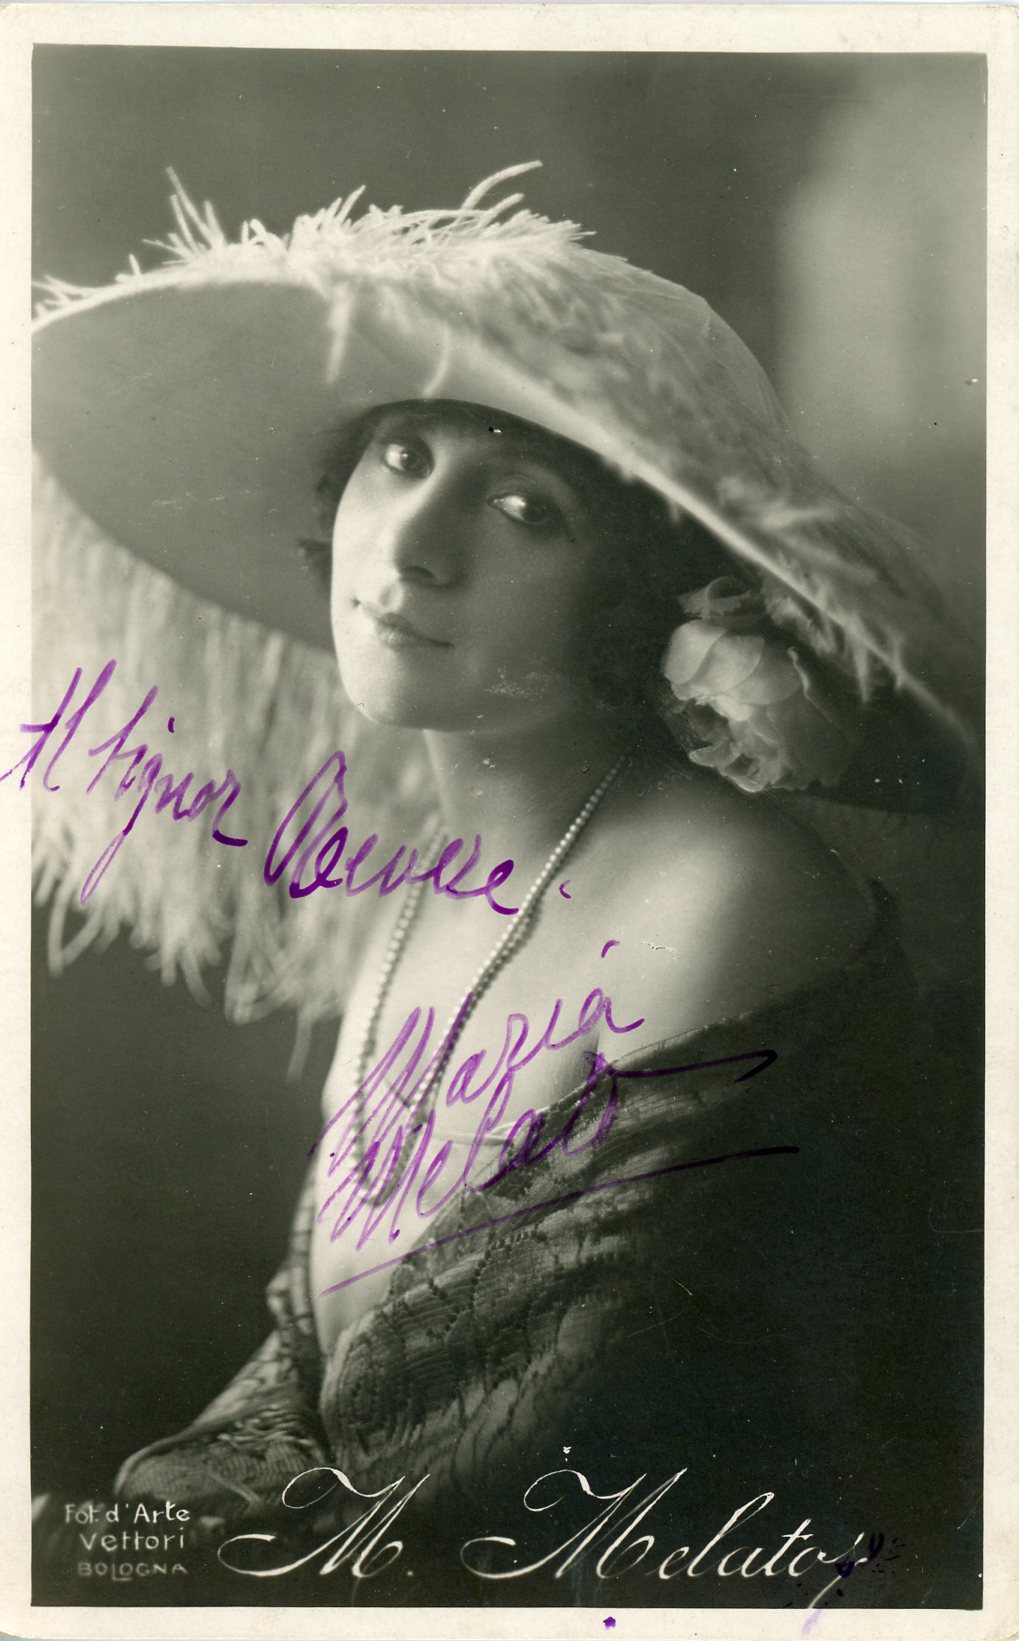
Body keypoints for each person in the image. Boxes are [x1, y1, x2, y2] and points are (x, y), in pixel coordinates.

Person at [28, 165, 981, 1606]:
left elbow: (503, 1496)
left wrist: (113, 1565)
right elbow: (320, 1402)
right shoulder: (426, 888)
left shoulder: (724, 903)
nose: (415, 546)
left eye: (528, 507)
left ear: (638, 598)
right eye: (401, 455)